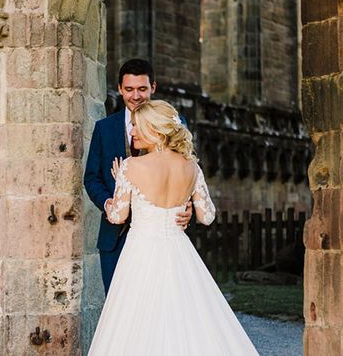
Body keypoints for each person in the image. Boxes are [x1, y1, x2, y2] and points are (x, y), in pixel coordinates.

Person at [87, 100, 259, 355]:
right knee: (185, 318)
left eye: (136, 126)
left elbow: (117, 217)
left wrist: (116, 191)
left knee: (137, 321)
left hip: (140, 255)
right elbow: (208, 216)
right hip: (179, 252)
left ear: (155, 131)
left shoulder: (130, 167)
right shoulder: (191, 166)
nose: (132, 131)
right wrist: (185, 205)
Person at [83, 59, 191, 294]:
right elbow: (91, 178)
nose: (135, 96)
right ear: (120, 89)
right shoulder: (104, 128)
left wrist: (188, 204)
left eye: (142, 89)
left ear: (153, 87)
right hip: (115, 238)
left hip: (159, 240)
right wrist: (108, 202)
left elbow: (188, 170)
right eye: (129, 89)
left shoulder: (175, 125)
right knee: (119, 310)